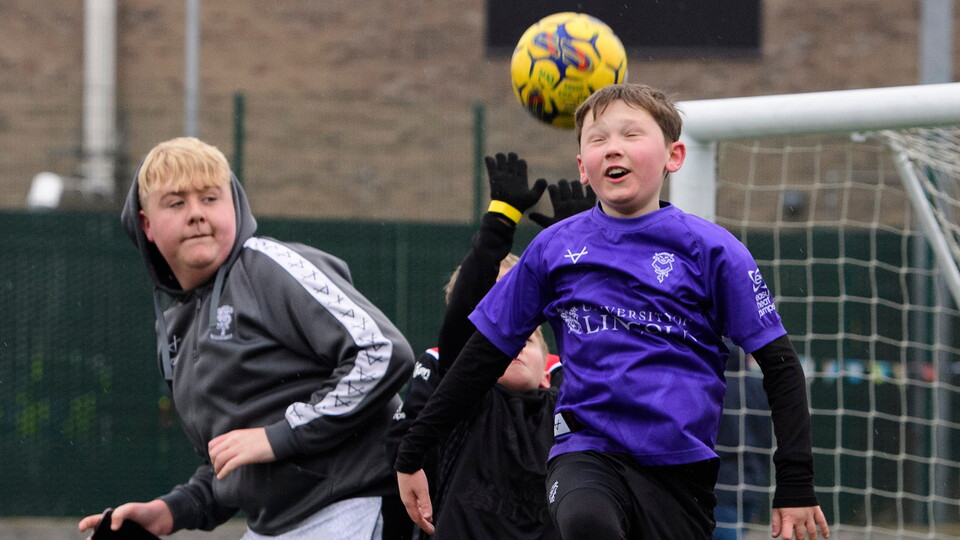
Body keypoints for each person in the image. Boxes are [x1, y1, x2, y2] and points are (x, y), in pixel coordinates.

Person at [395, 84, 831, 540]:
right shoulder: (551, 249)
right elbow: (477, 357)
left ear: (674, 156)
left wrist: (796, 481)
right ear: (583, 167)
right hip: (585, 452)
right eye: (598, 139)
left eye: (631, 134)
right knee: (588, 522)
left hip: (680, 471)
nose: (613, 148)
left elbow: (780, 367)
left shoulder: (715, 251)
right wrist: (413, 451)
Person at [78, 137, 415, 539]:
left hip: (354, 503)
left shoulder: (269, 267)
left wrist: (281, 435)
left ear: (234, 205)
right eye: (176, 203)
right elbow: (231, 460)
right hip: (273, 526)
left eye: (209, 198)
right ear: (146, 224)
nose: (196, 215)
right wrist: (171, 511)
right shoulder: (173, 329)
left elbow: (383, 352)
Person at [384, 152, 593, 539]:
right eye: (493, 321)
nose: (509, 338)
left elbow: (591, 334)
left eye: (525, 336)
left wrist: (576, 249)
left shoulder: (569, 404)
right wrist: (500, 221)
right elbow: (465, 325)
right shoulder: (463, 407)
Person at [713, 353, 773, 540]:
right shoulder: (759, 387)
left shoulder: (711, 385)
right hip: (750, 484)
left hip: (718, 488)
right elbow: (766, 442)